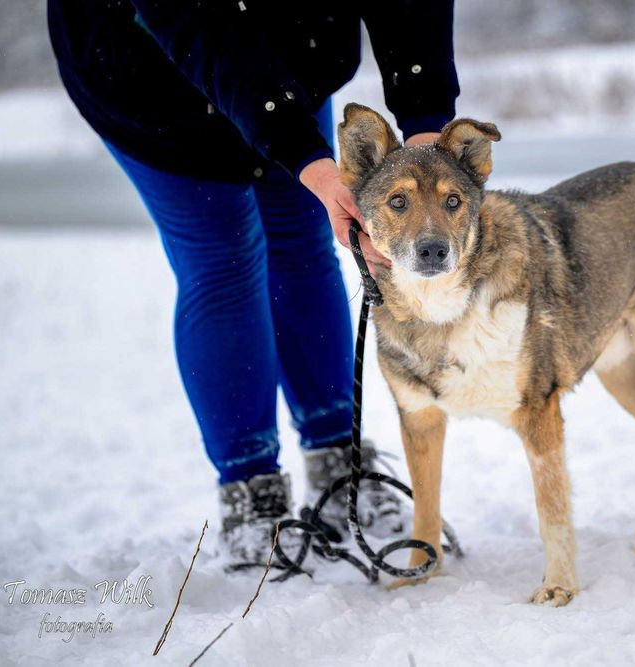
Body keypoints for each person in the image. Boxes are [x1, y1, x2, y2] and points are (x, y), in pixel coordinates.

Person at [47, 1, 459, 561]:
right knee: (222, 263)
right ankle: (251, 491)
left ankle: (338, 462)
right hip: (150, 71)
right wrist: (308, 160)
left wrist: (427, 129)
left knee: (301, 243)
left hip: (289, 52)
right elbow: (206, 28)